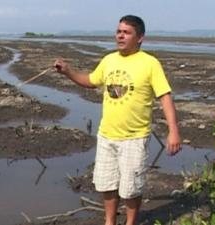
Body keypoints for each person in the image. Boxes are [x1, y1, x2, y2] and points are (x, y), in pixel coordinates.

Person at [53, 15, 181, 225]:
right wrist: (68, 71)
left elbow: (165, 96)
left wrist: (173, 130)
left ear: (140, 38)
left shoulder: (150, 63)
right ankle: (110, 221)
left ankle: (130, 222)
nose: (120, 36)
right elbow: (91, 81)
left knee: (131, 188)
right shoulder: (109, 59)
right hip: (106, 135)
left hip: (134, 138)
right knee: (106, 184)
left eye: (126, 32)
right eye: (118, 31)